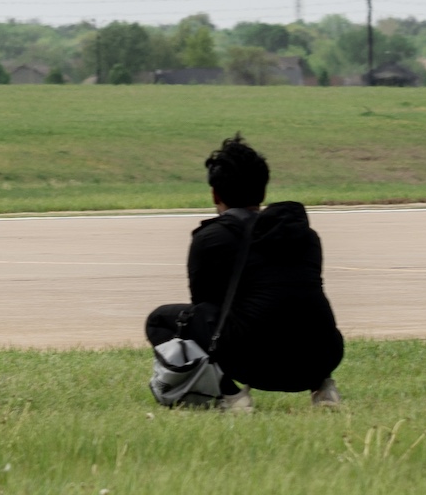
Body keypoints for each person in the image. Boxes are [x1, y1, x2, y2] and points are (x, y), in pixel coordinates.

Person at [145, 133, 343, 411]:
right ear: (263, 191)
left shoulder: (212, 239)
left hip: (252, 363)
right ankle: (323, 388)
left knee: (160, 320)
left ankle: (231, 396)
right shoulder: (303, 234)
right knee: (297, 306)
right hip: (321, 356)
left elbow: (204, 305)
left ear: (215, 194)